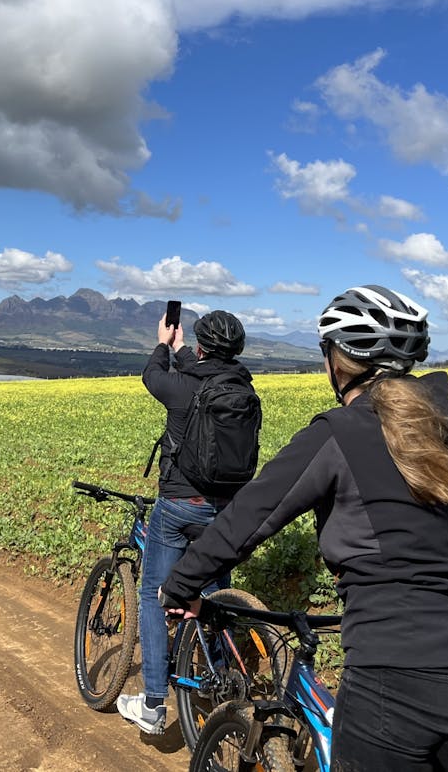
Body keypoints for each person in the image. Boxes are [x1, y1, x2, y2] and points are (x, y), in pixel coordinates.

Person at [161, 286, 448, 770]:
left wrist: (182, 585)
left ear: (338, 360)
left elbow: (250, 516)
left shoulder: (338, 434)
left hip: (399, 678)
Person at [116, 309, 253, 736]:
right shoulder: (243, 389)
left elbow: (150, 374)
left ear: (200, 346)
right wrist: (182, 351)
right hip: (226, 511)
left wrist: (163, 343)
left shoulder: (179, 386)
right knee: (213, 596)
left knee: (156, 594)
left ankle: (154, 703)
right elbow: (202, 373)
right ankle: (217, 686)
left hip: (180, 505)